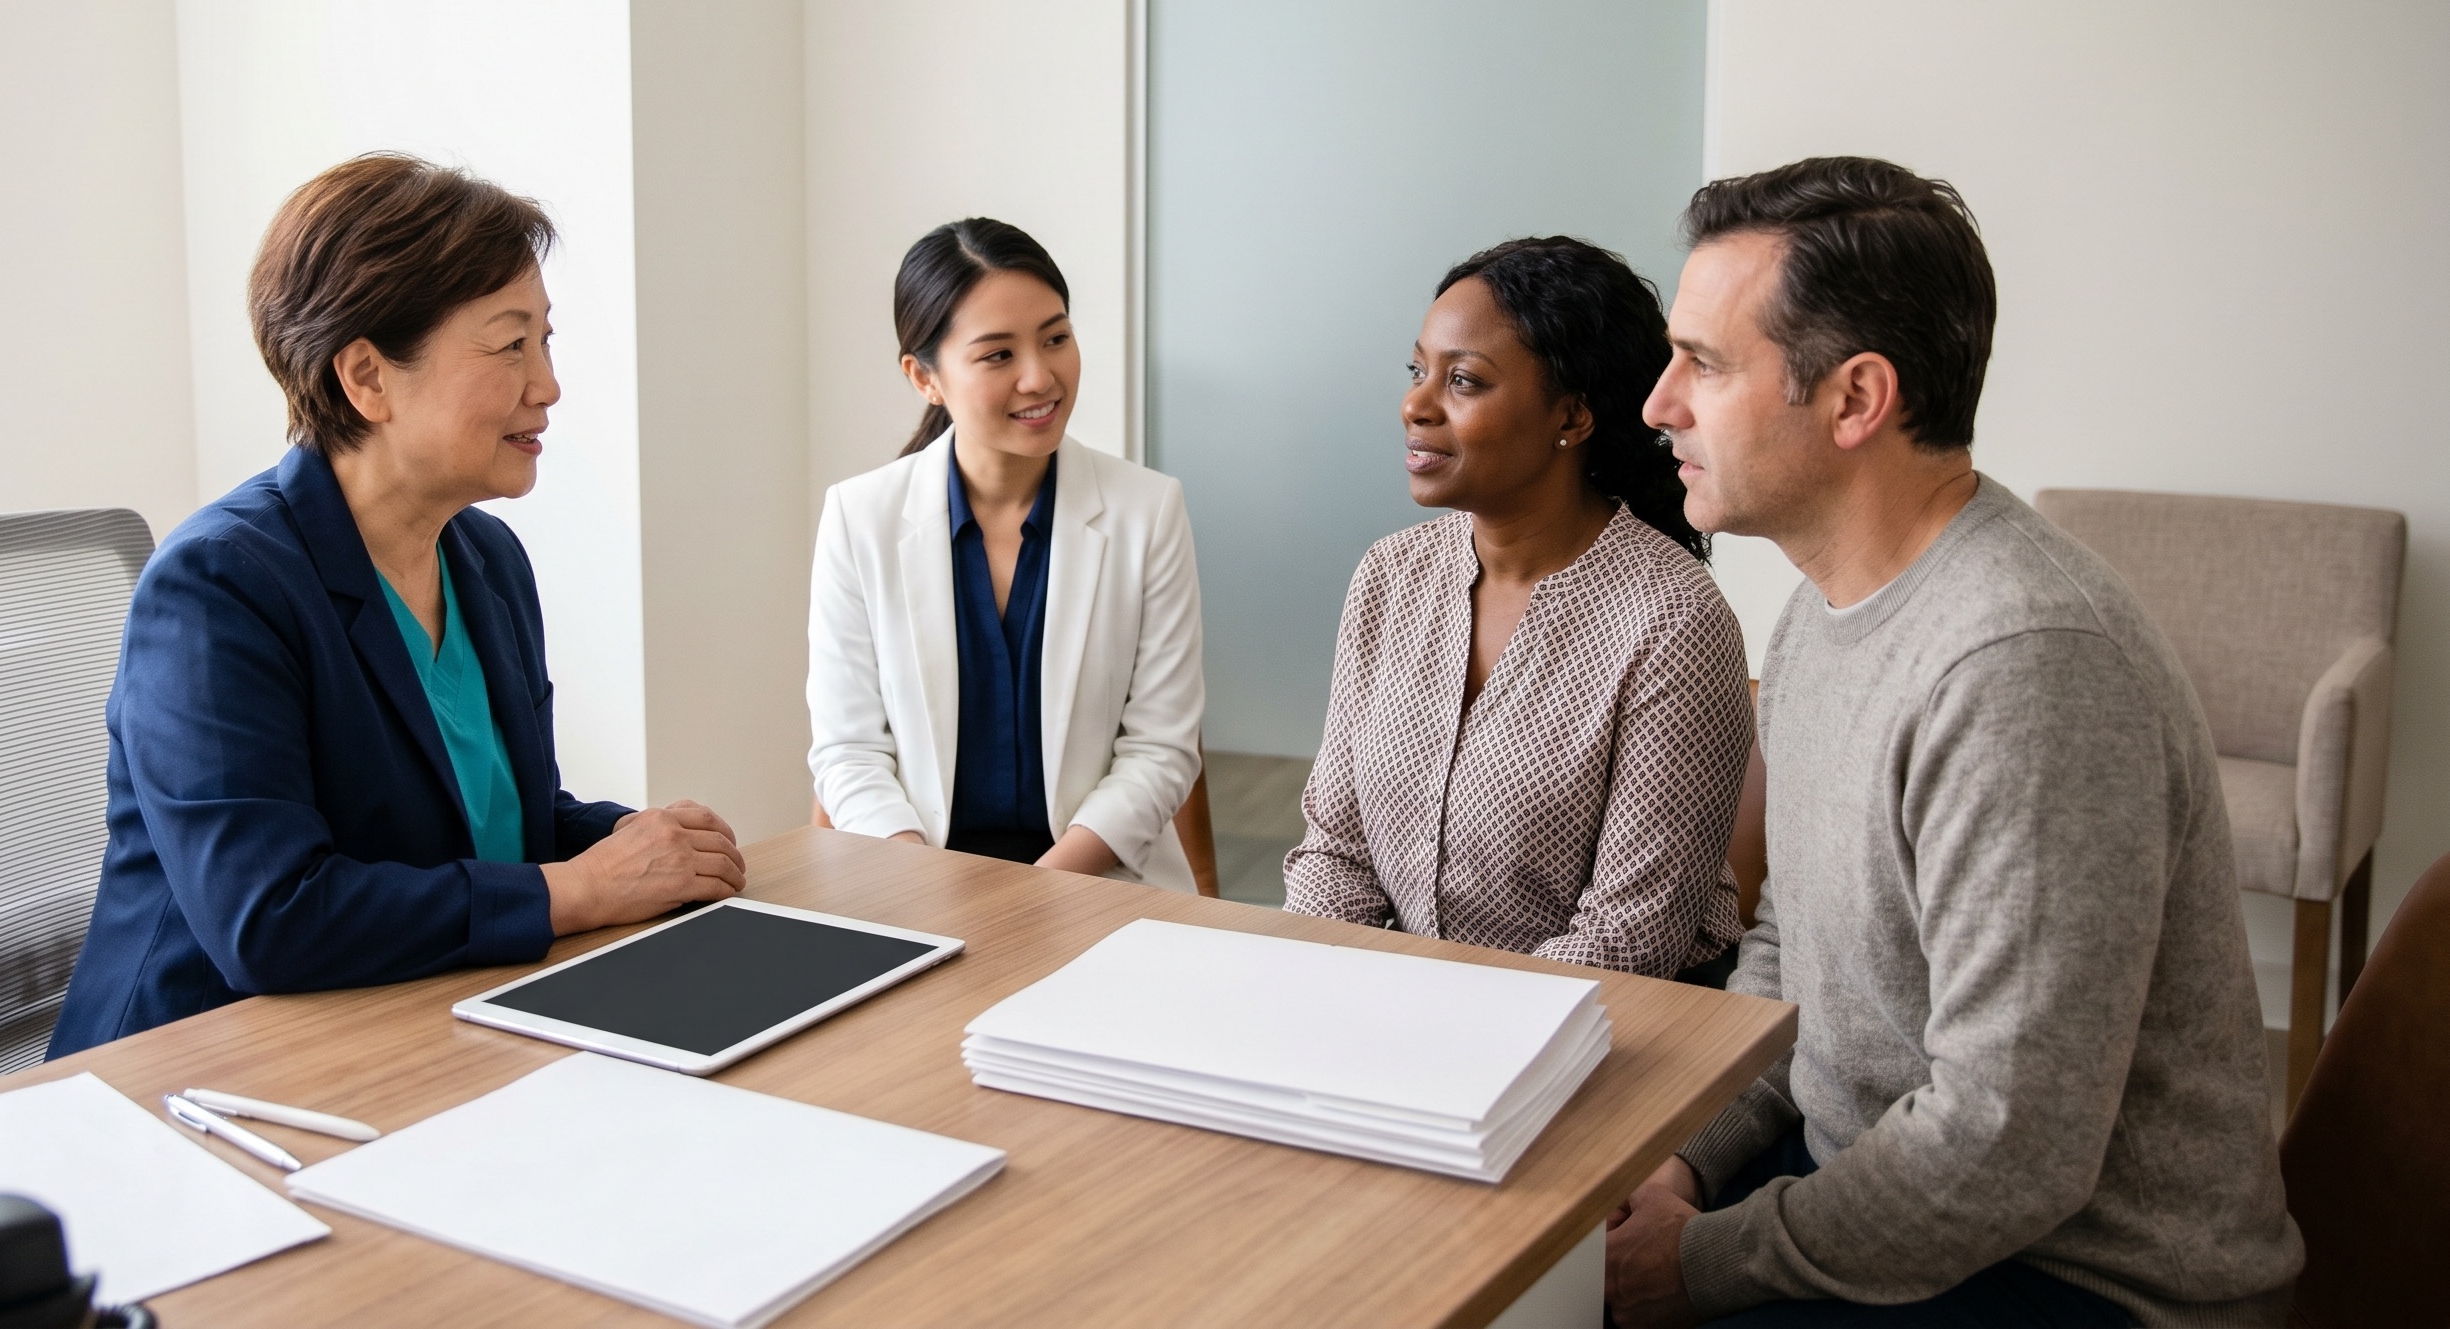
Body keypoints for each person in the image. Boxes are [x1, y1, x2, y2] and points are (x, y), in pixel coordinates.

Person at [1606, 157, 2302, 1326]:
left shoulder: (2022, 665)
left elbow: (2004, 1147)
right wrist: (1689, 1162)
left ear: (1855, 399)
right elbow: (1793, 953)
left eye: (1706, 365)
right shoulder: (1826, 609)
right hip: (1885, 1195)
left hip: (2080, 1275)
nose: (1658, 403)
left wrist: (1703, 1263)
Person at [51, 155, 746, 1053]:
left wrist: (639, 846)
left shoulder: (485, 559)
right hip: (192, 1077)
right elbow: (271, 919)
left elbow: (498, 832)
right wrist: (581, 889)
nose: (548, 386)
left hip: (406, 1028)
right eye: (510, 345)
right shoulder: (217, 588)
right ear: (367, 378)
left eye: (546, 341)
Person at [1282, 237, 1749, 982]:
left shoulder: (1674, 622)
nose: (1415, 404)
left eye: (1463, 381)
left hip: (1614, 1030)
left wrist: (1440, 1027)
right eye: (1417, 371)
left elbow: (1631, 938)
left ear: (1572, 414)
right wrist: (1348, 994)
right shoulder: (1389, 575)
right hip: (1391, 1008)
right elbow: (1335, 850)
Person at [806, 218, 1203, 890]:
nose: (1040, 377)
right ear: (924, 377)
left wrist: (1035, 895)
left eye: (1056, 338)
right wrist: (932, 887)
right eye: (998, 355)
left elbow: (1160, 751)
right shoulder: (859, 517)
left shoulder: (1149, 510)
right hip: (916, 887)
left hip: (1093, 889)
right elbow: (848, 752)